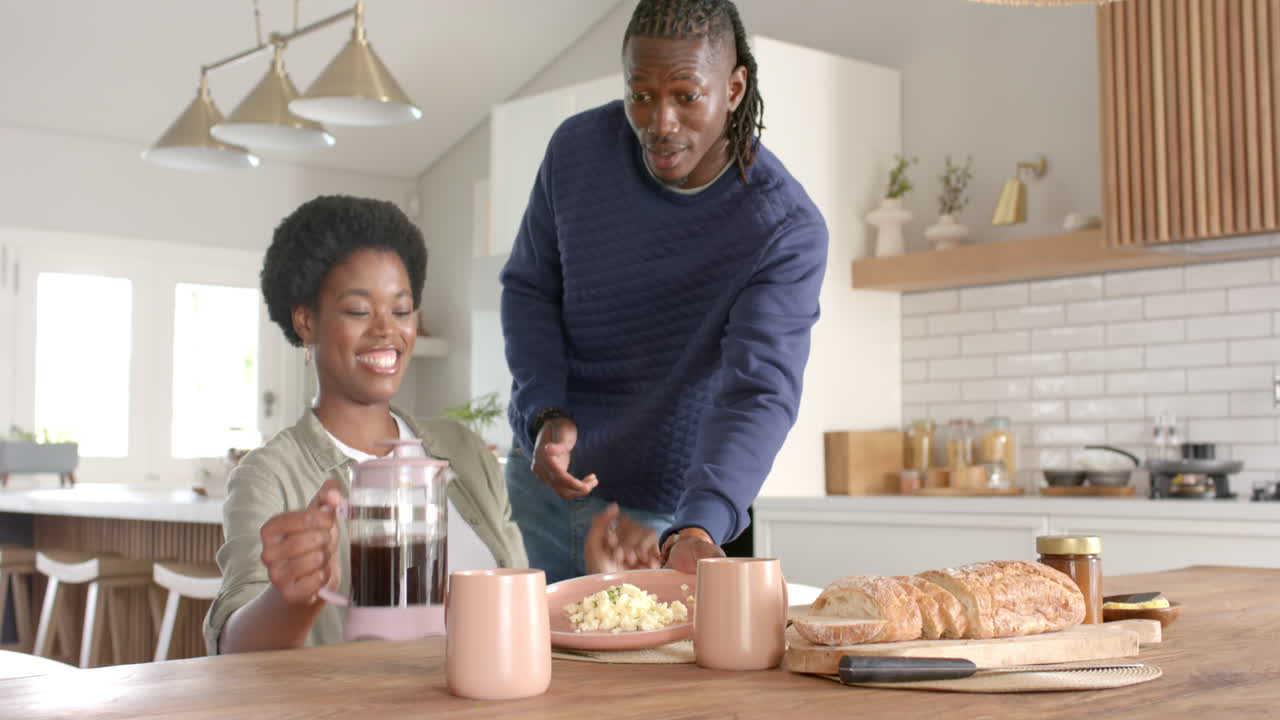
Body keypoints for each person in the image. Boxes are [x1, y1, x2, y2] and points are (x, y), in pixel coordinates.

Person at [500, 0, 828, 584]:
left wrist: (698, 526)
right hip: (543, 482)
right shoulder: (576, 151)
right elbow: (530, 291)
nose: (660, 122)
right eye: (641, 94)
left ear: (733, 89)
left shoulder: (781, 228)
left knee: (647, 677)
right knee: (542, 668)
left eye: (686, 95)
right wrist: (544, 412)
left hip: (665, 516)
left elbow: (758, 393)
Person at [203, 195, 529, 654]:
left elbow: (523, 612)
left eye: (401, 310)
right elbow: (233, 647)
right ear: (305, 321)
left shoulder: (465, 450)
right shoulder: (270, 475)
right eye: (359, 311)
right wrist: (290, 600)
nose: (386, 331)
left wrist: (604, 578)